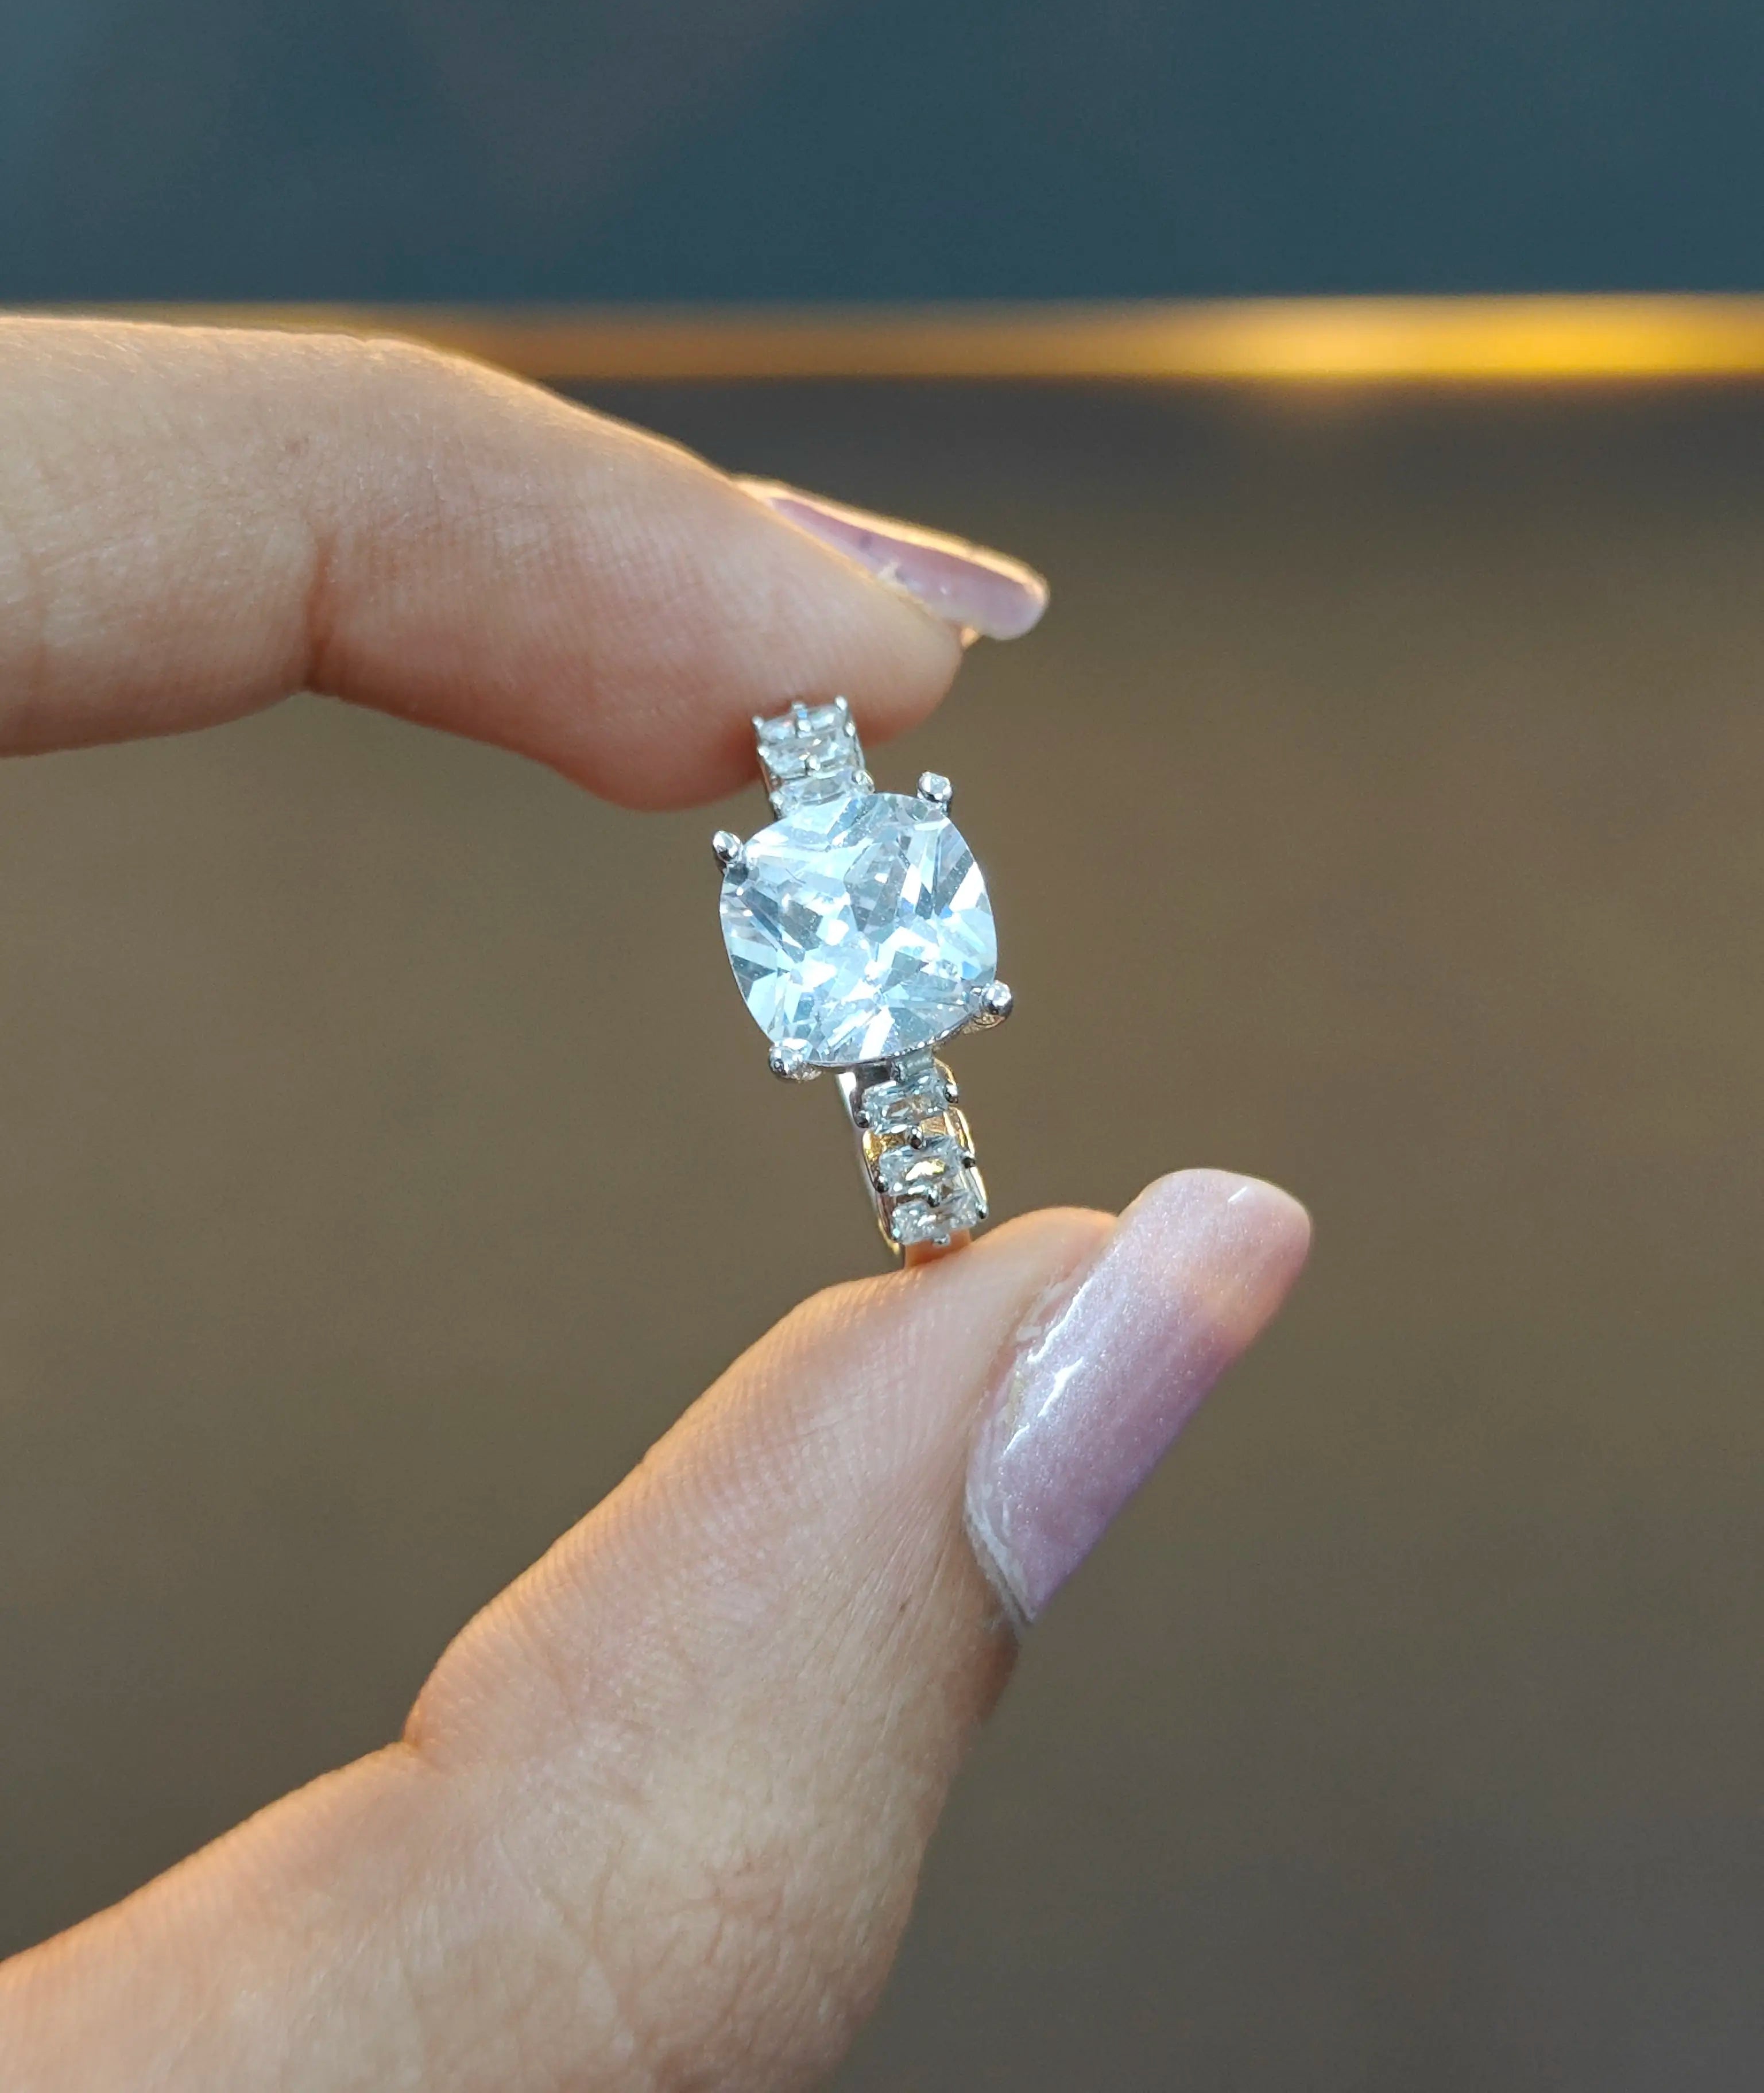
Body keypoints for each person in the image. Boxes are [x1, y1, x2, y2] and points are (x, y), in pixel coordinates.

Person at [0, 320, 1310, 2092]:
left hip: (894, 1036)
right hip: (881, 1046)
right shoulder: (823, 868)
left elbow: (911, 952)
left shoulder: (870, 857)